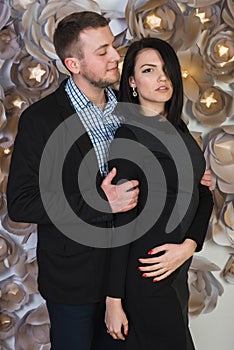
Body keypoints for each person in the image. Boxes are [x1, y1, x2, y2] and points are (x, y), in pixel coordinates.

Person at [6, 11, 140, 350]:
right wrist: (97, 201)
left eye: (113, 46)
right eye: (102, 52)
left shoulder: (133, 106)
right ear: (73, 64)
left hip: (132, 276)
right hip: (74, 282)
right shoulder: (41, 120)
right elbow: (22, 202)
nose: (115, 57)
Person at [104, 38, 214, 350]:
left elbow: (204, 196)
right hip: (146, 275)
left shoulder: (179, 130)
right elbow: (120, 224)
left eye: (166, 70)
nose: (162, 78)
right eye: (149, 70)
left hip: (176, 271)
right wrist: (113, 301)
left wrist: (189, 247)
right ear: (132, 82)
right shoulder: (128, 137)